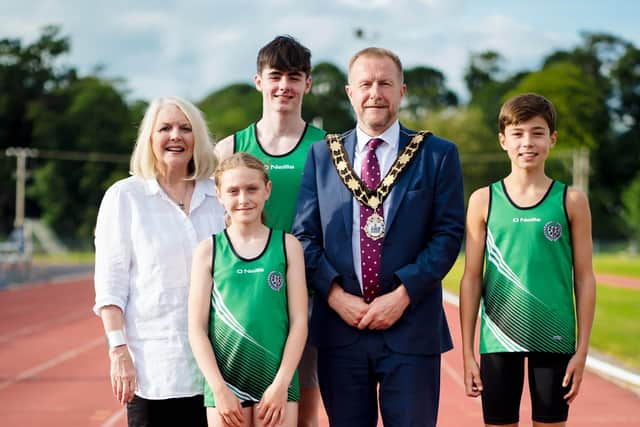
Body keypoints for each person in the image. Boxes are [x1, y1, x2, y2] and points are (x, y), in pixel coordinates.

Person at [292, 47, 465, 427]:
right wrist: (336, 298)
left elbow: (448, 235)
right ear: (349, 92)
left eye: (385, 83)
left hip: (411, 325)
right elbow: (304, 237)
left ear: (402, 91)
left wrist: (402, 296)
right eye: (365, 84)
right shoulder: (322, 157)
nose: (375, 93)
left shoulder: (437, 155)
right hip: (341, 329)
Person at [459, 93, 596, 427]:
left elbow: (585, 278)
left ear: (552, 139)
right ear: (503, 140)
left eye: (537, 132)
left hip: (555, 336)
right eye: (518, 133)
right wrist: (467, 352)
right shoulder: (483, 200)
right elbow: (471, 279)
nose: (527, 142)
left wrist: (582, 350)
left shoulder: (572, 200)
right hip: (498, 339)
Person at [93, 96, 225, 426]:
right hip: (154, 370)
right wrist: (118, 351)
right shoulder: (125, 198)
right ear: (150, 138)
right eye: (165, 128)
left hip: (219, 368)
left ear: (198, 138)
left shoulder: (219, 196)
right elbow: (110, 285)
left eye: (185, 128)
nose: (176, 136)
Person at [214, 35, 325, 427]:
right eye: (275, 75)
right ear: (258, 81)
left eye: (294, 77)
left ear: (307, 84)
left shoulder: (326, 148)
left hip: (305, 301)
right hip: (244, 301)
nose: (284, 86)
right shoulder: (229, 149)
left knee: (303, 415)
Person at [188, 152, 308, 427]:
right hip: (226, 382)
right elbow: (196, 328)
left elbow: (299, 322)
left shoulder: (288, 246)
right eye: (233, 191)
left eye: (251, 189)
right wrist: (218, 388)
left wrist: (282, 383)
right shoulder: (209, 251)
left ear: (267, 190)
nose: (243, 199)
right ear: (219, 195)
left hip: (278, 380)